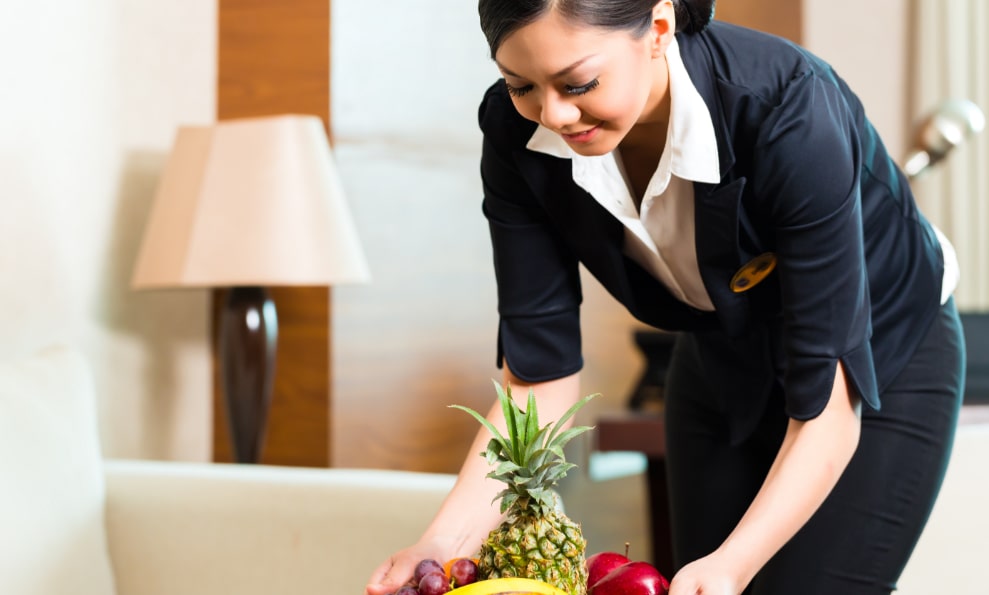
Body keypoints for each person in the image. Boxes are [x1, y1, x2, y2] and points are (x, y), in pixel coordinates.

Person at [365, 1, 966, 593]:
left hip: (882, 353)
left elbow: (825, 410)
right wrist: (440, 545)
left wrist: (732, 565)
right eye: (521, 85)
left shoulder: (787, 106)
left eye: (578, 83)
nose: (553, 114)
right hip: (719, 351)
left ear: (658, 26)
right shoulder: (514, 130)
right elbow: (537, 377)